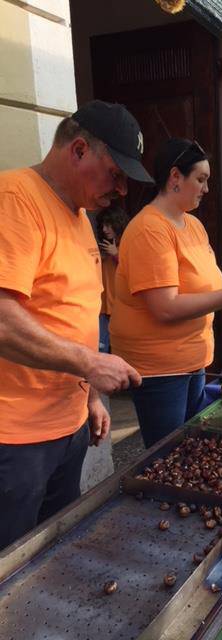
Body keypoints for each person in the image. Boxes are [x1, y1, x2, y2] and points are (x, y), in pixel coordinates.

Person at [0, 100, 148, 551]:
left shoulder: (81, 217)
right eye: (115, 173)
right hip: (17, 439)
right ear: (80, 150)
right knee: (13, 568)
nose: (120, 190)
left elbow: (75, 313)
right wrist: (88, 363)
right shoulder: (16, 199)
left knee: (52, 553)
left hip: (67, 429)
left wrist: (93, 397)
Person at [110, 138, 222, 448]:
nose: (206, 189)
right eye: (200, 179)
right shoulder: (149, 230)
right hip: (160, 369)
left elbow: (205, 286)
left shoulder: (193, 225)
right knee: (167, 454)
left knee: (190, 449)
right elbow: (165, 308)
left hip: (193, 359)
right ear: (175, 178)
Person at [96, 205, 130, 353]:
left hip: (120, 308)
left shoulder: (128, 242)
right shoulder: (103, 245)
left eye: (108, 225)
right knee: (101, 350)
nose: (104, 229)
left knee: (120, 352)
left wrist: (116, 254)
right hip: (102, 307)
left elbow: (133, 271)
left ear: (118, 223)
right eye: (103, 225)